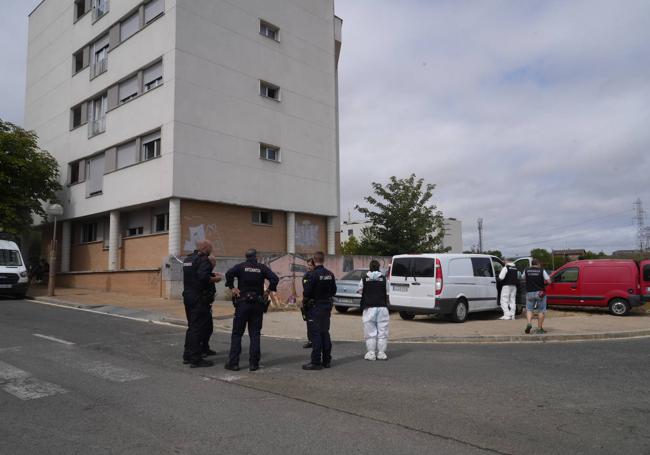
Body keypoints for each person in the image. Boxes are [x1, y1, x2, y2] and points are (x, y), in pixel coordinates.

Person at [225, 248, 279, 372]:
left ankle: (234, 363)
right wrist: (268, 291)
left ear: (246, 256)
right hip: (257, 304)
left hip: (242, 303)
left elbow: (228, 274)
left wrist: (232, 287)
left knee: (237, 334)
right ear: (256, 257)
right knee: (255, 334)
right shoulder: (261, 267)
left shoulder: (240, 266)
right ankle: (254, 364)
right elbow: (275, 278)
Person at [182, 240, 221, 368]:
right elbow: (203, 277)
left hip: (188, 296)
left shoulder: (188, 259)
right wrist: (216, 279)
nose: (211, 249)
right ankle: (196, 358)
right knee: (198, 328)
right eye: (211, 247)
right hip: (199, 298)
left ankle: (187, 355)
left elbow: (194, 275)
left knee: (192, 327)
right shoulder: (203, 260)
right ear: (205, 248)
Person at [302, 251, 337, 371]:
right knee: (325, 332)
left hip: (315, 307)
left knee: (316, 334)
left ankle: (316, 361)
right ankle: (327, 360)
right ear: (323, 260)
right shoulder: (330, 274)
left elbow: (306, 292)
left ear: (314, 260)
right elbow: (333, 291)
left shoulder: (312, 275)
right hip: (326, 306)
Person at [357, 260, 389, 361]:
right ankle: (381, 353)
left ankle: (371, 353)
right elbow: (387, 293)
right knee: (382, 331)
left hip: (369, 308)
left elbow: (360, 291)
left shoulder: (364, 279)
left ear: (369, 267)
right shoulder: (384, 279)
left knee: (370, 332)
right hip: (382, 307)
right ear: (379, 267)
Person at [524, 259, 551, 334]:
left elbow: (523, 278)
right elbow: (549, 281)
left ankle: (529, 323)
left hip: (529, 292)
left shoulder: (526, 270)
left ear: (531, 264)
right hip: (540, 293)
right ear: (538, 264)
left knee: (529, 309)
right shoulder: (542, 270)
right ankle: (539, 329)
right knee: (541, 310)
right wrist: (545, 284)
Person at [301, 258, 316, 349]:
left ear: (314, 265)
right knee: (309, 322)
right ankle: (310, 340)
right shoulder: (306, 275)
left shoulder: (316, 275)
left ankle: (316, 340)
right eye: (308, 265)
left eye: (310, 265)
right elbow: (305, 290)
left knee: (315, 323)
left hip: (314, 302)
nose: (308, 267)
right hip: (307, 302)